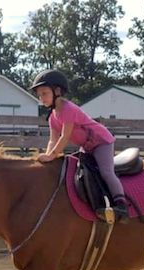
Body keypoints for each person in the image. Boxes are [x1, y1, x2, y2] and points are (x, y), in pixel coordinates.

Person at [30, 69, 129, 222]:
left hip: (101, 142)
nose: (41, 98)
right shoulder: (52, 117)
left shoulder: (68, 109)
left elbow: (65, 136)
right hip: (87, 146)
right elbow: (53, 140)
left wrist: (52, 155)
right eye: (39, 95)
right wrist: (47, 156)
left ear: (57, 91)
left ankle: (122, 205)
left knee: (106, 171)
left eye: (44, 93)